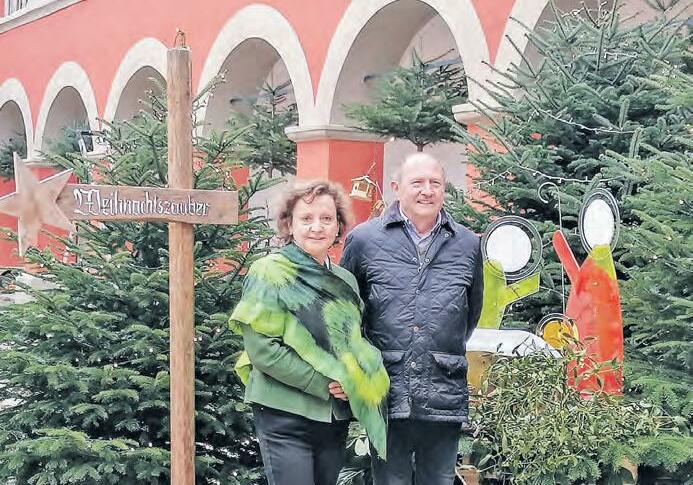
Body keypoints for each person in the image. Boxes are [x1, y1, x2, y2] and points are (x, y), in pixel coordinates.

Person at [229, 180, 389, 485]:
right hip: (284, 415)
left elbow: (352, 344)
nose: (317, 227)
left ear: (338, 225)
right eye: (306, 218)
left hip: (332, 418)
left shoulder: (345, 279)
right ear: (289, 224)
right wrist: (326, 382)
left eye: (326, 218)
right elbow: (263, 350)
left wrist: (356, 382)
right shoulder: (270, 272)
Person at [340, 153, 484, 485]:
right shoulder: (364, 240)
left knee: (440, 479)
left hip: (443, 387)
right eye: (417, 183)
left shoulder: (467, 244)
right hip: (386, 387)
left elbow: (470, 313)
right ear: (396, 187)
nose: (427, 191)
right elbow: (347, 311)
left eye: (435, 183)